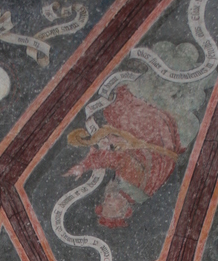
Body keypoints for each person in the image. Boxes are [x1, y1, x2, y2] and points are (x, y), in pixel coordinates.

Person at [66, 86, 184, 226]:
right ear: (125, 209)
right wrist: (85, 165)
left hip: (158, 145)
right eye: (111, 206)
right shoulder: (130, 184)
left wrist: (118, 142)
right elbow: (119, 159)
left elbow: (134, 158)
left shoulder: (137, 194)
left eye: (105, 203)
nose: (107, 200)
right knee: (114, 111)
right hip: (157, 134)